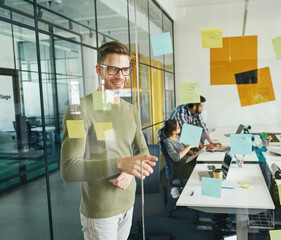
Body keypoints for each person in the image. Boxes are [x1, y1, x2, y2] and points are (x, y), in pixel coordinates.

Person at [60, 41, 158, 240]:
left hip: (128, 201)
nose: (120, 76)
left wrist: (130, 173)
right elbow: (69, 169)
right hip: (100, 210)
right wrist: (121, 163)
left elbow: (143, 151)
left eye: (125, 69)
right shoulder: (79, 110)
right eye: (113, 69)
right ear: (99, 69)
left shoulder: (131, 110)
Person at [161, 119, 198, 198]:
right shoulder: (168, 142)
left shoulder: (177, 137)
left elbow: (184, 149)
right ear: (173, 131)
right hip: (180, 168)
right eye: (178, 127)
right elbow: (176, 157)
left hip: (187, 162)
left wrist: (193, 153)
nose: (180, 128)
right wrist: (189, 147)